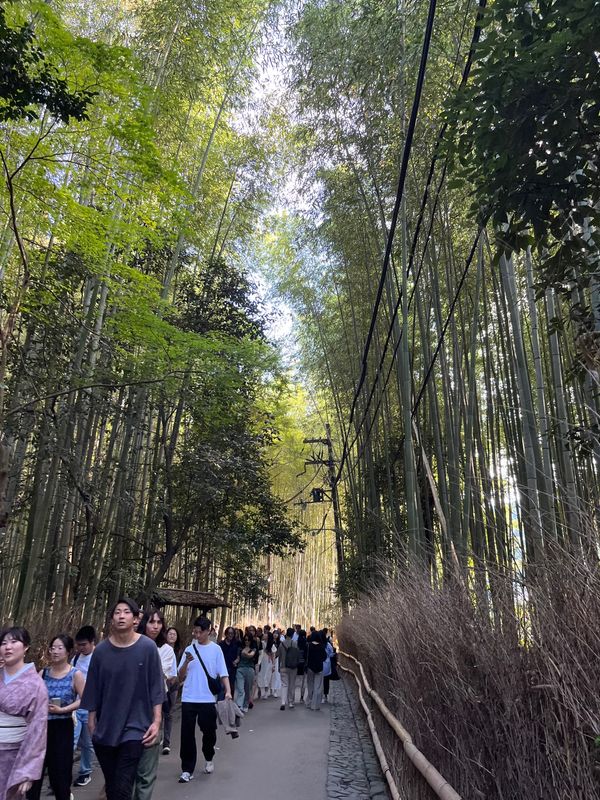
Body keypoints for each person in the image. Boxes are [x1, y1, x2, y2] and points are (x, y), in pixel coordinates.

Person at [81, 598, 164, 800]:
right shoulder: (100, 651)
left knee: (122, 786)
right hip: (107, 727)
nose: (121, 616)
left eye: (127, 612)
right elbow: (93, 687)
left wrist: (157, 720)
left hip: (136, 727)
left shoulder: (147, 648)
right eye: (117, 612)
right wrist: (91, 720)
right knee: (113, 786)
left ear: (136, 619)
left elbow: (156, 686)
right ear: (111, 619)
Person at [28, 635, 85, 800]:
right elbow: (32, 697)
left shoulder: (75, 674)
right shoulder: (43, 673)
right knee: (35, 773)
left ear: (68, 651)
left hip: (62, 727)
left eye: (60, 648)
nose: (55, 651)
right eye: (53, 648)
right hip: (41, 727)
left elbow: (85, 699)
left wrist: (64, 709)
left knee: (60, 774)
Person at [176, 617, 231, 783]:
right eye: (195, 631)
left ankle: (209, 757)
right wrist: (186, 661)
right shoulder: (189, 649)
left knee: (209, 732)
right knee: (186, 735)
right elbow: (180, 676)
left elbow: (223, 672)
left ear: (209, 631)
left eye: (200, 632)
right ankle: (187, 769)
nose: (197, 635)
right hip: (189, 697)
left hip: (207, 698)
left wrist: (228, 690)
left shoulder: (216, 650)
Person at [133, 610, 176, 800]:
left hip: (153, 709)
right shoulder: (131, 644)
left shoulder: (166, 650)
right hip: (131, 710)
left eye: (159, 622)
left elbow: (165, 676)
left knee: (146, 771)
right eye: (151, 622)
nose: (155, 626)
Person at [0, 628, 47, 800]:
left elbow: (38, 731)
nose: (8, 647)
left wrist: (27, 771)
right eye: (3, 643)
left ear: (26, 647)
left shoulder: (36, 685)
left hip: (14, 754)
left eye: (14, 642)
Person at [71, 626, 96, 787]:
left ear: (92, 642)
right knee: (71, 740)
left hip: (90, 707)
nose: (81, 648)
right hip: (74, 706)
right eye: (78, 645)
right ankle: (61, 773)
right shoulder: (74, 659)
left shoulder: (98, 658)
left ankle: (85, 771)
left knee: (88, 743)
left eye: (84, 644)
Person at [163, 628, 181, 756]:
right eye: (170, 633)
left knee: (169, 713)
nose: (172, 636)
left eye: (174, 634)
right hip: (160, 684)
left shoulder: (180, 652)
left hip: (173, 685)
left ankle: (166, 743)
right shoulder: (160, 649)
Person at [278, 628, 300, 710]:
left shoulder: (281, 644)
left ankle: (283, 702)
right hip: (293, 667)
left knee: (284, 685)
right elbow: (297, 655)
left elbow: (278, 655)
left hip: (283, 667)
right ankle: (290, 702)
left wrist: (278, 667)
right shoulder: (294, 643)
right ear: (292, 634)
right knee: (292, 684)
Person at [233, 635, 256, 713]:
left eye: (248, 640)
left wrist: (245, 653)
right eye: (245, 640)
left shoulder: (253, 649)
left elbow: (251, 655)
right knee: (240, 689)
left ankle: (245, 705)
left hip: (250, 669)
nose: (247, 641)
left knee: (247, 689)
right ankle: (239, 706)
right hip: (240, 669)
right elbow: (238, 658)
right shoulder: (240, 649)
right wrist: (234, 662)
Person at [305, 631, 326, 711]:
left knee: (310, 685)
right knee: (317, 687)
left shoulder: (308, 646)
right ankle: (315, 705)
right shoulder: (322, 646)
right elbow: (324, 657)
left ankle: (309, 702)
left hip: (310, 668)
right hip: (319, 668)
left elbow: (305, 656)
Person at [218, 627, 240, 701]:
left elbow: (238, 656)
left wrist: (236, 661)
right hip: (223, 668)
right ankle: (220, 705)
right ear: (226, 634)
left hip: (232, 668)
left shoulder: (236, 644)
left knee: (231, 686)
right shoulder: (221, 644)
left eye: (232, 633)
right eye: (229, 633)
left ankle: (229, 704)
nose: (230, 635)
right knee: (222, 687)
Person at [296, 630, 307, 703]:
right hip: (304, 665)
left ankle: (292, 698)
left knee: (295, 682)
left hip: (296, 664)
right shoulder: (306, 645)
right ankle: (301, 698)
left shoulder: (295, 644)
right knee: (303, 683)